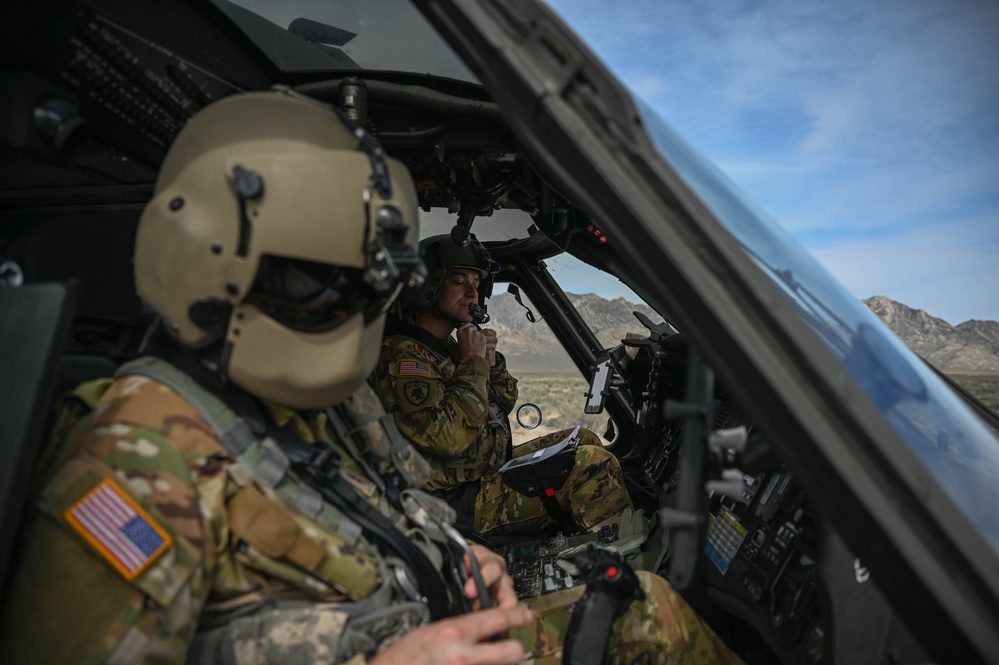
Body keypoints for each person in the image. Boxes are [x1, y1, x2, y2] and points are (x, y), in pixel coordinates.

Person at [0, 89, 742, 665]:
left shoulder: (296, 405)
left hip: (429, 613)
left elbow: (400, 493)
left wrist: (456, 557)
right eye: (313, 284)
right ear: (212, 267)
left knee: (640, 606)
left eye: (362, 288)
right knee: (648, 619)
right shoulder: (131, 453)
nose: (347, 314)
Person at [370, 233, 636, 538]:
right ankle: (626, 560)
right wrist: (474, 364)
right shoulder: (403, 355)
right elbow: (449, 438)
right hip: (451, 500)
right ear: (429, 285)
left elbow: (502, 400)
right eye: (459, 280)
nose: (473, 292)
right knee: (592, 465)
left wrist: (490, 363)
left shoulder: (445, 348)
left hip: (482, 469)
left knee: (584, 438)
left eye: (476, 282)